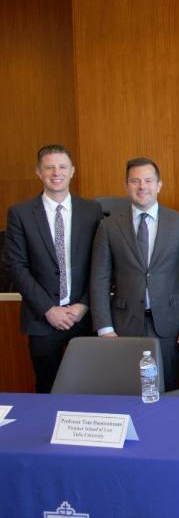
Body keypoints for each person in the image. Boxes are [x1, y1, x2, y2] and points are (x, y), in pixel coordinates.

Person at [90, 157, 179, 390]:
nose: (142, 186)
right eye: (135, 181)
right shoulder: (108, 226)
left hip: (170, 324)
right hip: (123, 325)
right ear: (126, 185)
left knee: (168, 387)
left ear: (159, 185)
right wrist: (104, 327)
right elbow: (99, 279)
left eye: (148, 180)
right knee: (127, 389)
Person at [5, 145, 102, 393]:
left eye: (62, 167)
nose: (56, 172)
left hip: (84, 315)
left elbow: (101, 263)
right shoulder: (20, 213)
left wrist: (84, 304)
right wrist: (49, 309)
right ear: (39, 172)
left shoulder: (92, 210)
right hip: (42, 317)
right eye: (49, 167)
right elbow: (16, 266)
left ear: (72, 171)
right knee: (48, 387)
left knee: (92, 386)